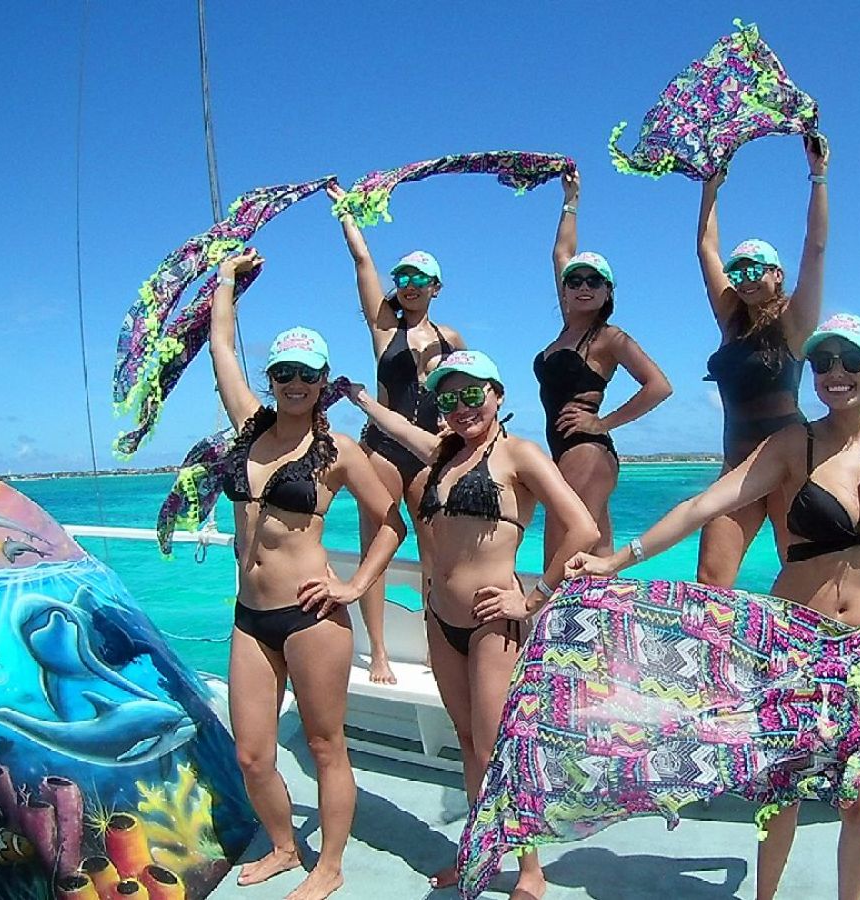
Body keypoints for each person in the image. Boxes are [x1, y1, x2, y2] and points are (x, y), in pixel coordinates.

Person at [567, 313, 860, 900]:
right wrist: (618, 560)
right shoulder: (796, 444)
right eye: (822, 363)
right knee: (781, 796)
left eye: (850, 360)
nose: (835, 373)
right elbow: (705, 505)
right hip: (794, 643)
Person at [346, 349, 599, 900]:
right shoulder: (441, 453)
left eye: (472, 394)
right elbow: (399, 428)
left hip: (494, 622)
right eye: (449, 397)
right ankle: (478, 854)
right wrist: (360, 399)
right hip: (440, 616)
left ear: (498, 395)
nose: (462, 407)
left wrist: (534, 600)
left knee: (496, 746)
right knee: (467, 742)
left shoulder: (520, 455)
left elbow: (581, 528)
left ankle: (531, 871)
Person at [211, 249, 407, 900]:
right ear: (273, 378)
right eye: (284, 371)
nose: (295, 382)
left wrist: (353, 587)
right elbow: (221, 347)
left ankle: (330, 866)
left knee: (325, 746)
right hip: (250, 614)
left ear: (324, 381)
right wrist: (225, 280)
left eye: (308, 373)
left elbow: (391, 522)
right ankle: (285, 847)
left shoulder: (338, 451)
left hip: (313, 616)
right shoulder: (248, 427)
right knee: (252, 754)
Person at [328, 181, 466, 684]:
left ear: (436, 286)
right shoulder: (386, 329)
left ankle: (435, 644)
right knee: (377, 549)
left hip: (429, 453)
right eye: (403, 276)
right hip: (383, 449)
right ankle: (380, 652)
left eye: (420, 277)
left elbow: (466, 393)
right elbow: (363, 264)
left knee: (435, 552)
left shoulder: (451, 339)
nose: (409, 283)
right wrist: (347, 216)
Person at [695, 134, 830, 585]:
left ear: (777, 274)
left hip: (788, 461)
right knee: (711, 579)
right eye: (739, 272)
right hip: (735, 464)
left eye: (756, 269)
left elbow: (815, 248)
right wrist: (710, 187)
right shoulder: (731, 320)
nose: (746, 278)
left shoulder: (794, 323)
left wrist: (818, 178)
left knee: (800, 573)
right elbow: (706, 249)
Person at [539, 168, 672, 560]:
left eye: (593, 281)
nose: (582, 286)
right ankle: (605, 620)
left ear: (607, 291)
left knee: (561, 554)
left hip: (587, 450)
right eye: (575, 280)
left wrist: (602, 422)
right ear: (565, 289)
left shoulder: (608, 338)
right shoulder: (568, 331)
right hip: (568, 450)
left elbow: (659, 386)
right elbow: (561, 254)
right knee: (597, 552)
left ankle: (548, 617)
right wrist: (571, 200)